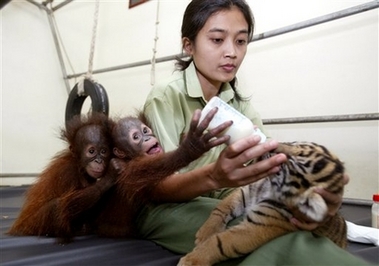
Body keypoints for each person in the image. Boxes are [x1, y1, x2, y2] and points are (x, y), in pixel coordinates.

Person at [139, 0, 369, 265]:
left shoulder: (239, 104)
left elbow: (269, 166)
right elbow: (156, 187)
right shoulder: (166, 96)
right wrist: (214, 176)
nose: (232, 52)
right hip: (167, 207)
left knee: (288, 227)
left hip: (224, 198)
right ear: (188, 45)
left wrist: (317, 198)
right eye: (217, 39)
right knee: (267, 235)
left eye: (241, 41)